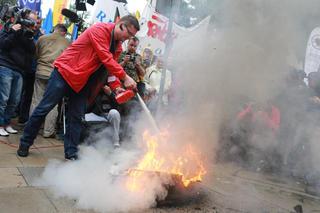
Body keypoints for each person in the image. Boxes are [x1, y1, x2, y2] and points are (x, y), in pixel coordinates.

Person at [17, 15, 139, 160]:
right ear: (121, 25)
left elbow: (110, 69)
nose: (128, 38)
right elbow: (105, 57)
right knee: (44, 107)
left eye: (132, 36)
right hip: (64, 73)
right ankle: (25, 143)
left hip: (82, 82)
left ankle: (71, 153)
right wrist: (125, 77)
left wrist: (117, 86)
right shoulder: (99, 29)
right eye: (129, 34)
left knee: (76, 117)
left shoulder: (117, 46)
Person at [0, 12, 37, 136]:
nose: (32, 24)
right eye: (31, 21)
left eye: (34, 22)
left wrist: (30, 36)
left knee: (14, 101)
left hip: (20, 70)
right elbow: (3, 45)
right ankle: (0, 125)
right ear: (24, 19)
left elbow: (32, 51)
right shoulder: (10, 28)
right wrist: (13, 31)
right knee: (3, 99)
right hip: (6, 66)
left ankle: (6, 123)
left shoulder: (28, 34)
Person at [30, 24, 70, 138]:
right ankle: (48, 131)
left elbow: (36, 55)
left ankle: (33, 129)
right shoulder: (68, 42)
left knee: (36, 101)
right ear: (64, 32)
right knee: (52, 104)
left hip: (41, 71)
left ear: (55, 29)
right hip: (56, 74)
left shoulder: (42, 38)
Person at [18, 13, 44, 125]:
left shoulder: (41, 36)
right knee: (17, 93)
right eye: (35, 22)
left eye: (38, 23)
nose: (36, 25)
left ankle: (23, 117)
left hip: (33, 69)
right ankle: (14, 113)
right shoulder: (23, 31)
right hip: (21, 66)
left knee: (29, 94)